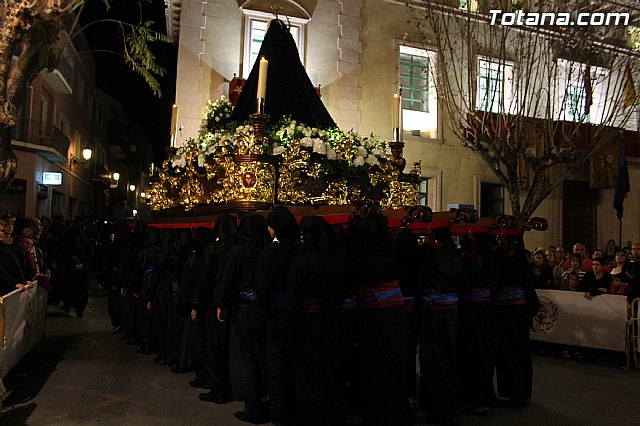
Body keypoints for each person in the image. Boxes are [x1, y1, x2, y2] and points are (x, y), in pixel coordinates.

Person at [345, 203, 413, 426]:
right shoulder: (384, 245)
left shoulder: (362, 246)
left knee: (374, 364)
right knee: (392, 363)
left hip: (374, 313)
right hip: (392, 311)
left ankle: (379, 412)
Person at [285, 216, 344, 426]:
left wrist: (290, 328)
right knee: (330, 370)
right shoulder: (336, 257)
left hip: (309, 324)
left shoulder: (303, 261)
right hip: (332, 321)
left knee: (310, 373)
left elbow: (294, 298)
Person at [216, 214, 272, 424]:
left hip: (244, 312)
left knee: (245, 359)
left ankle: (253, 407)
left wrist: (221, 304)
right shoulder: (267, 251)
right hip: (266, 311)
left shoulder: (237, 252)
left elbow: (227, 281)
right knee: (263, 356)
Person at [255, 206, 300, 426]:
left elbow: (264, 288)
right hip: (300, 314)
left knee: (278, 367)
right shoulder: (302, 248)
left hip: (277, 314)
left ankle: (280, 413)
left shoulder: (271, 252)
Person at [193, 215, 238, 404]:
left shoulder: (212, 250)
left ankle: (217, 388)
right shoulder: (236, 249)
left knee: (212, 346)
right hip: (232, 302)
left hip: (213, 302)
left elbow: (203, 280)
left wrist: (196, 304)